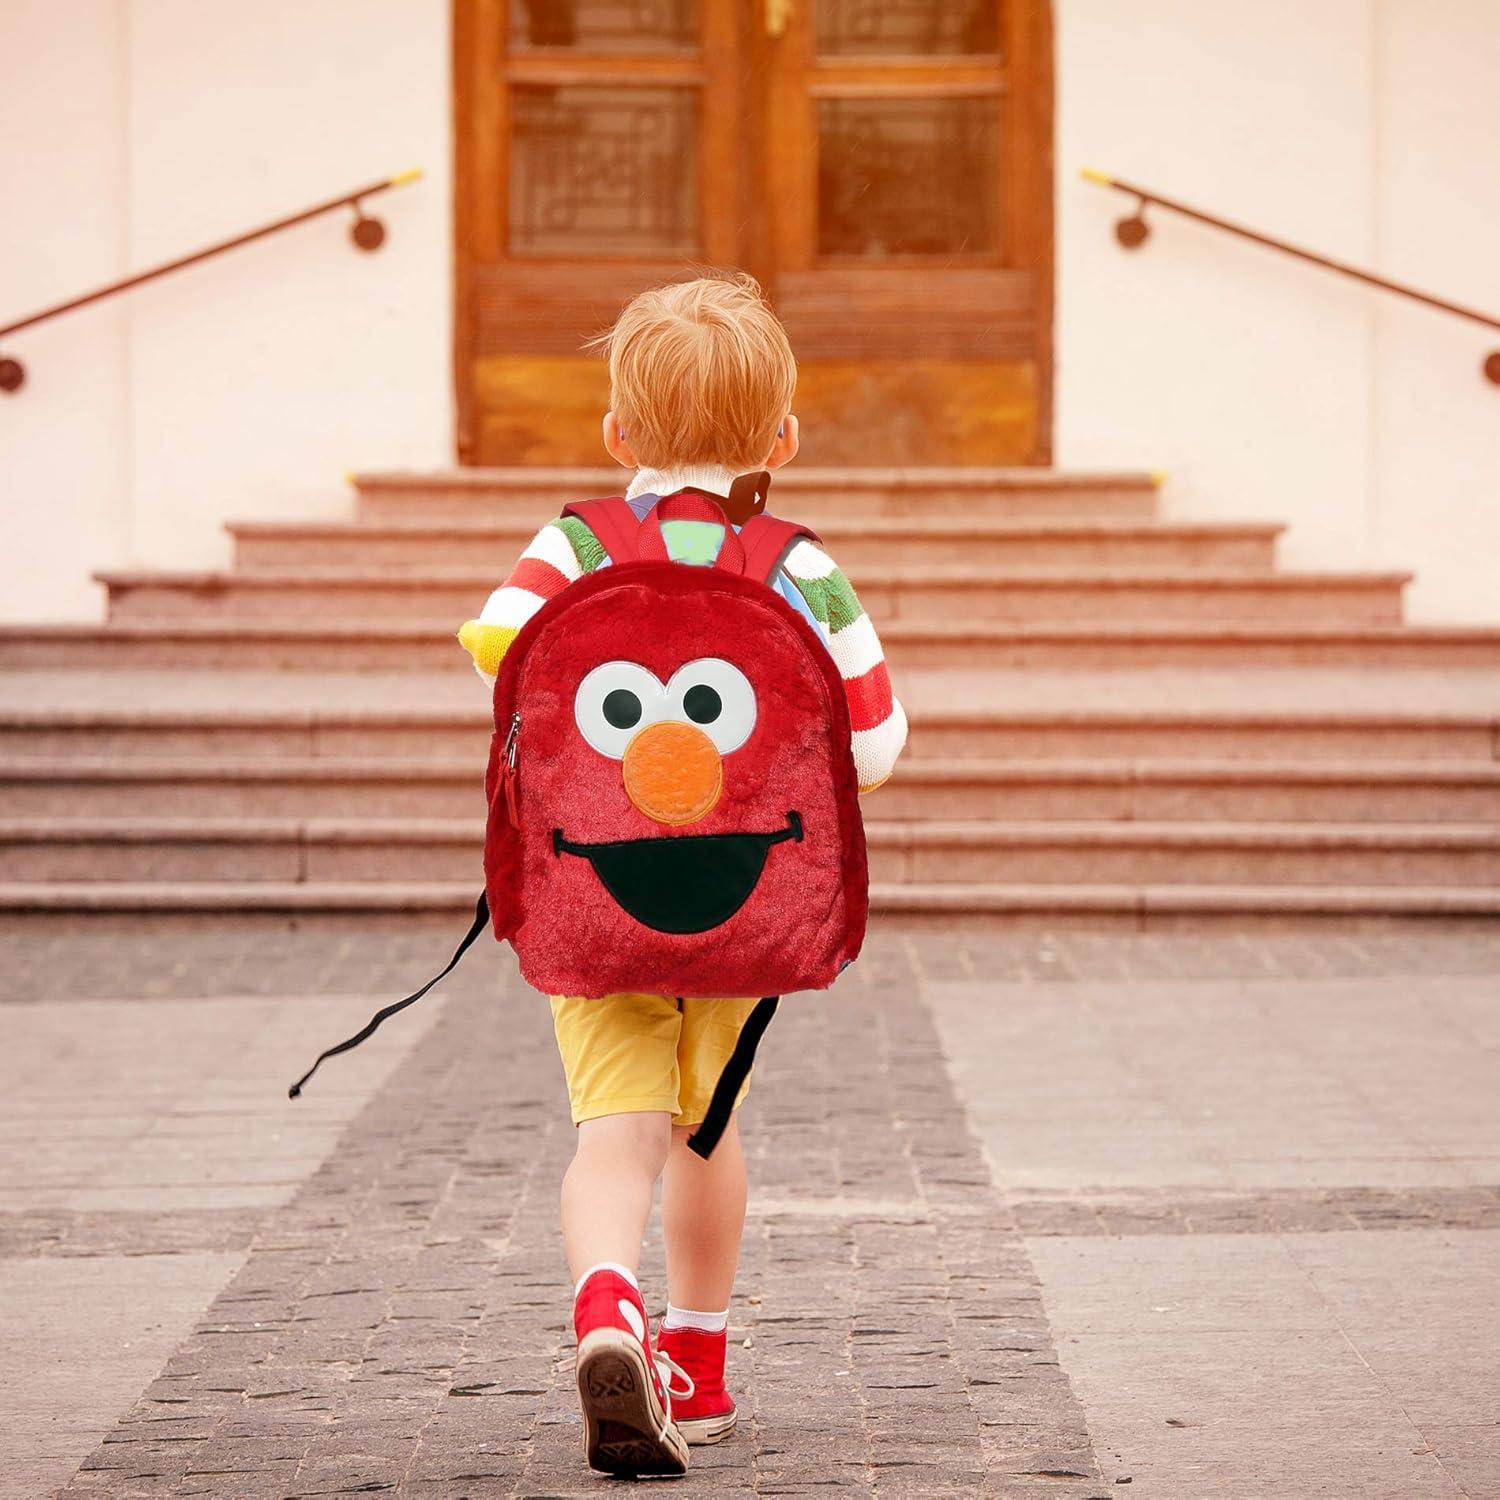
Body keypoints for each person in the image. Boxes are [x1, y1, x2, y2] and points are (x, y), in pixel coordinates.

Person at [456, 272, 907, 1477]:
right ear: (782, 439)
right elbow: (875, 742)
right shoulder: (798, 567)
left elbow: (502, 650)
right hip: (744, 914)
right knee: (706, 1131)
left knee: (614, 1135)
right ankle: (698, 1366)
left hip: (591, 903)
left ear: (616, 436)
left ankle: (608, 1306)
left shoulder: (577, 540)